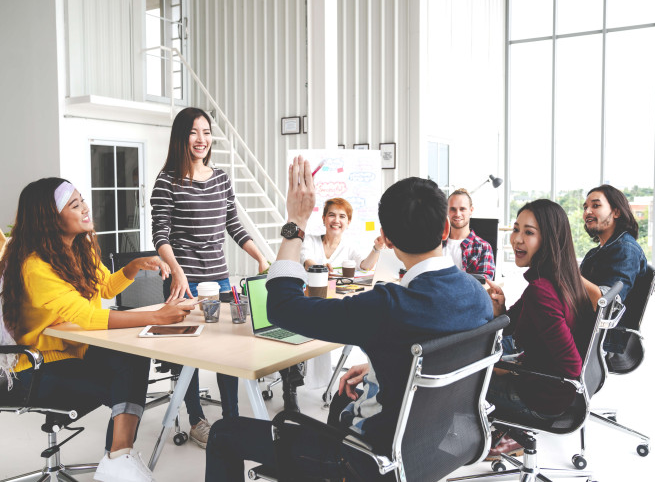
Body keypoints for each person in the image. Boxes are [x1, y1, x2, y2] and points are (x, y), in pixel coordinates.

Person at [205, 158, 493, 481]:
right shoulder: (478, 295)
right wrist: (381, 366)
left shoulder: (386, 307)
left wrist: (296, 222)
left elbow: (283, 307)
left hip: (371, 458)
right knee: (343, 396)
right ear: (445, 228)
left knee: (223, 433)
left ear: (388, 239)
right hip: (432, 447)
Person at [0, 177, 193, 482]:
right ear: (50, 218)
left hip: (71, 351)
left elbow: (104, 288)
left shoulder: (78, 249)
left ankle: (118, 457)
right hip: (36, 367)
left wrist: (133, 267)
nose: (85, 208)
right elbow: (87, 317)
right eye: (75, 205)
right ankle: (118, 459)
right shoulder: (34, 266)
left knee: (133, 356)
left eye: (82, 200)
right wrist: (157, 316)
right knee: (122, 378)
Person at [151, 106, 272, 446]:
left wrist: (260, 256)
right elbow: (160, 234)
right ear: (181, 137)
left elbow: (233, 224)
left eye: (206, 131)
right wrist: (176, 272)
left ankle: (231, 419)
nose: (201, 139)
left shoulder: (220, 178)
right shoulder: (167, 182)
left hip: (219, 280)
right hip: (184, 282)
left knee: (225, 351)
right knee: (188, 352)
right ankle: (196, 419)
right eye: (194, 132)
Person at [484, 199, 593, 460]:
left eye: (529, 232)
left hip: (543, 400)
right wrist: (500, 310)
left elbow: (571, 368)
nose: (517, 240)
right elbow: (511, 322)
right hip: (554, 392)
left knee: (461, 381)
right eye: (516, 229)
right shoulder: (560, 278)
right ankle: (507, 434)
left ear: (549, 239)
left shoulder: (541, 291)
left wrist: (515, 370)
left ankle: (485, 439)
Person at [580, 184, 648, 307]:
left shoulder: (626, 249)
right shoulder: (595, 252)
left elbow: (607, 303)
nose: (587, 212)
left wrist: (565, 274)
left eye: (596, 205)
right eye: (585, 208)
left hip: (598, 325)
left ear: (616, 212)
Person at [301, 197, 384, 271]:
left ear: (348, 222)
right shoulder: (309, 240)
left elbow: (365, 266)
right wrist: (321, 270)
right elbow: (306, 260)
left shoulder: (349, 247)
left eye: (342, 216)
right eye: (332, 215)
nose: (336, 221)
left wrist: (377, 247)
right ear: (324, 219)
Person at [443, 188, 496, 279]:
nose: (457, 214)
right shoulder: (435, 244)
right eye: (453, 209)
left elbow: (484, 285)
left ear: (471, 210)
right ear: (447, 211)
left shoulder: (483, 247)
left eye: (462, 209)